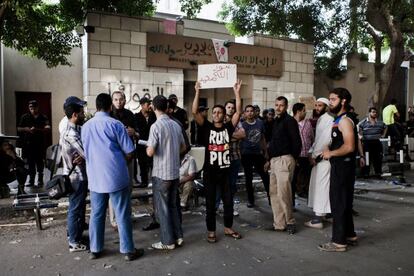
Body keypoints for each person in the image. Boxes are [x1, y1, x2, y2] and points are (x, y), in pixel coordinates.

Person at [82, 93, 144, 261]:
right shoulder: (116, 124)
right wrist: (119, 162)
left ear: (96, 107)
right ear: (110, 106)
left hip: (95, 177)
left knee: (97, 213)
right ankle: (128, 251)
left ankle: (95, 249)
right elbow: (130, 151)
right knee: (122, 213)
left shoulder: (85, 127)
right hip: (116, 177)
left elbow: (86, 152)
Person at [192, 80, 243, 243]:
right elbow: (194, 112)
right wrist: (197, 91)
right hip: (210, 173)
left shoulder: (228, 128)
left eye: (219, 112)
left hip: (225, 172)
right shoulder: (206, 127)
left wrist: (236, 92)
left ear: (223, 114)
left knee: (228, 202)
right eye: (214, 112)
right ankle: (211, 231)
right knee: (210, 203)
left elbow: (238, 112)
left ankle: (228, 228)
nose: (216, 114)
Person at [320, 88, 358, 252]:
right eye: (330, 99)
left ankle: (338, 242)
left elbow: (349, 146)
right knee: (344, 202)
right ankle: (350, 235)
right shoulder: (339, 119)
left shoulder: (344, 121)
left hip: (343, 167)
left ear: (343, 101)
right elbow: (341, 141)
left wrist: (331, 153)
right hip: (341, 166)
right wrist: (331, 146)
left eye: (333, 99)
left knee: (338, 203)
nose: (330, 102)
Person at [146, 95, 186, 250]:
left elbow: (150, 152)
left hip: (161, 173)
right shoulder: (176, 125)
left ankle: (167, 241)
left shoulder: (155, 126)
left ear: (153, 107)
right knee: (173, 206)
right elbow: (183, 147)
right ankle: (179, 236)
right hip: (175, 172)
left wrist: (149, 147)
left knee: (162, 209)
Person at [265, 96, 301, 235]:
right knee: (274, 193)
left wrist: (293, 158)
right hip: (274, 161)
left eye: (281, 105)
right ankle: (279, 224)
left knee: (284, 193)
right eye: (276, 105)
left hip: (285, 159)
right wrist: (269, 159)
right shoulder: (275, 122)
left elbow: (297, 142)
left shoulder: (290, 121)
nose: (278, 107)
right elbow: (272, 142)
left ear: (286, 107)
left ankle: (290, 222)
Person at [60, 97, 88, 252]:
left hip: (76, 175)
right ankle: (74, 242)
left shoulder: (73, 130)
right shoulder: (71, 134)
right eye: (82, 112)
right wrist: (84, 155)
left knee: (77, 207)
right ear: (75, 115)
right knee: (75, 209)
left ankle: (75, 235)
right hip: (76, 177)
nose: (84, 114)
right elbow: (88, 152)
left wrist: (82, 156)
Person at [109, 91, 139, 230]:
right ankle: (114, 220)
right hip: (114, 156)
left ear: (125, 100)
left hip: (129, 154)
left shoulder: (130, 115)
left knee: (129, 187)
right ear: (112, 101)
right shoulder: (109, 115)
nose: (118, 102)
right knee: (114, 188)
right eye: (115, 99)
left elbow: (139, 133)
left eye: (121, 99)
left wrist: (134, 133)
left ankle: (127, 215)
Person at [305, 98, 333, 229]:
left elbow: (325, 140)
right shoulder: (322, 119)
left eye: (319, 105)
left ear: (326, 107)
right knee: (323, 187)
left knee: (321, 188)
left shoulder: (328, 119)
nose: (316, 107)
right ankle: (327, 214)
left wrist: (315, 156)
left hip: (323, 158)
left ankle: (317, 219)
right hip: (319, 157)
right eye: (315, 105)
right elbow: (317, 139)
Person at [215, 100, 246, 217]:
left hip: (235, 157)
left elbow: (242, 135)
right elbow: (219, 137)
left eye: (233, 108)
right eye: (228, 107)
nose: (231, 109)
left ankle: (229, 208)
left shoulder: (238, 122)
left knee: (231, 185)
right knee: (219, 185)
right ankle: (216, 207)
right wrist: (233, 135)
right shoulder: (219, 121)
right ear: (225, 108)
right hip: (221, 159)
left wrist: (226, 134)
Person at [240, 105, 270, 208]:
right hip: (246, 154)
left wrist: (265, 152)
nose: (250, 113)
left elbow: (262, 138)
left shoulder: (260, 123)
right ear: (244, 113)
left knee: (265, 176)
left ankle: (271, 199)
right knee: (248, 178)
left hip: (258, 154)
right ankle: (251, 200)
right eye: (247, 111)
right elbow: (239, 139)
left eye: (251, 111)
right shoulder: (242, 125)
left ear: (255, 112)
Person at [17, 100, 51, 186]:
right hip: (28, 143)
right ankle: (31, 179)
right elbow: (19, 128)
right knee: (30, 162)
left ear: (38, 107)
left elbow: (48, 129)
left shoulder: (43, 117)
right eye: (31, 108)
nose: (33, 110)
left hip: (39, 143)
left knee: (40, 161)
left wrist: (37, 130)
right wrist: (27, 129)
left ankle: (40, 179)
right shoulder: (25, 117)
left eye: (34, 108)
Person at [292, 103, 314, 201]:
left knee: (306, 174)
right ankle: (295, 194)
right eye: (304, 110)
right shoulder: (291, 123)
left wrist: (312, 151)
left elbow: (312, 137)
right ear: (298, 111)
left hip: (307, 154)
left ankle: (305, 191)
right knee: (295, 177)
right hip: (296, 156)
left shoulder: (308, 123)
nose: (306, 112)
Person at [134, 97, 156, 188]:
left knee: (153, 164)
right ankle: (144, 182)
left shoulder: (153, 115)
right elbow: (137, 130)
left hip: (152, 144)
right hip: (141, 145)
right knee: (142, 164)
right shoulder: (136, 116)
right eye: (148, 104)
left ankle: (154, 181)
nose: (149, 106)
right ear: (142, 105)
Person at [358, 107, 386, 178]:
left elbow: (386, 126)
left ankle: (378, 174)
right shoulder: (363, 122)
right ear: (369, 113)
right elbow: (358, 128)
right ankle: (366, 174)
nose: (375, 113)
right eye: (373, 112)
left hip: (377, 142)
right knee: (367, 158)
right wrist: (360, 135)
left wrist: (383, 135)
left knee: (378, 159)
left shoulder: (380, 122)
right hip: (367, 142)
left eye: (375, 112)